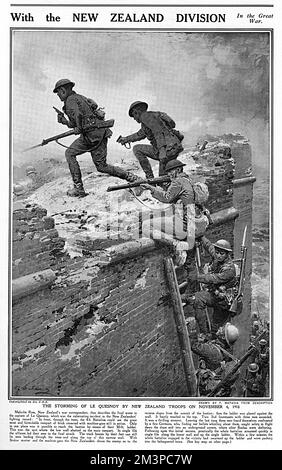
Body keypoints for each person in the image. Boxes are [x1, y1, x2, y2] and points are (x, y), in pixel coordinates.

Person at [53, 79, 139, 197]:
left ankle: (79, 188)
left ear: (62, 90)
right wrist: (64, 122)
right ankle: (133, 178)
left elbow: (78, 116)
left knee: (70, 154)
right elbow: (78, 121)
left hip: (91, 135)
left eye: (58, 92)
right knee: (102, 166)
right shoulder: (80, 98)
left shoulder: (70, 100)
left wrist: (77, 127)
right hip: (98, 134)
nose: (58, 95)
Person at [141, 159, 209, 265]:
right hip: (198, 225)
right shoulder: (187, 180)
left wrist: (151, 188)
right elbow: (174, 197)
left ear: (177, 170)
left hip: (186, 227)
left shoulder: (178, 181)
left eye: (170, 171)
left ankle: (177, 245)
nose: (168, 174)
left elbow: (166, 198)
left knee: (146, 225)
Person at [184, 236, 237, 334]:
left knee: (216, 326)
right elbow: (209, 246)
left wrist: (197, 277)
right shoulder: (218, 257)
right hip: (214, 294)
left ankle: (213, 337)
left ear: (227, 254)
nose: (218, 255)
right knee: (198, 299)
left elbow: (213, 278)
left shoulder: (229, 269)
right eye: (217, 253)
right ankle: (204, 332)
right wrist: (201, 236)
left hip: (223, 301)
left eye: (222, 253)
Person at [117, 101, 184, 178]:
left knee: (163, 179)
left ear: (136, 112)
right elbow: (140, 134)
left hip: (166, 149)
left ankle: (150, 177)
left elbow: (158, 132)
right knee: (166, 176)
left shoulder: (146, 117)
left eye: (134, 116)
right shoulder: (151, 118)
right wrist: (126, 139)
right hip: (171, 148)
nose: (134, 119)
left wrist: (162, 152)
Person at [191, 323, 240, 396]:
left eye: (222, 329)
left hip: (206, 389)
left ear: (223, 337)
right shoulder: (226, 350)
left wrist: (192, 329)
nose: (220, 327)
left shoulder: (214, 352)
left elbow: (194, 346)